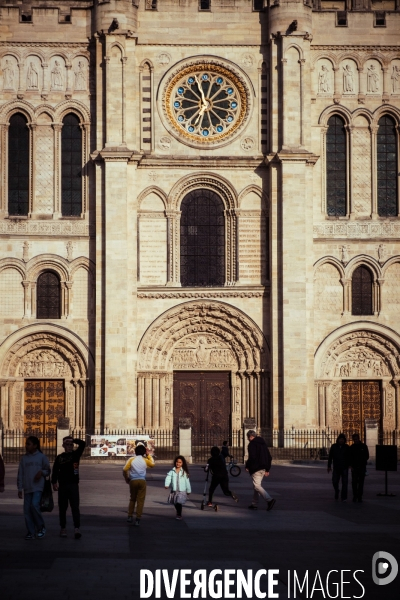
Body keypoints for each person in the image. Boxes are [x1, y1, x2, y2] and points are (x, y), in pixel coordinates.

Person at [52, 436, 86, 539]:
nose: (70, 446)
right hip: (63, 485)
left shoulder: (76, 455)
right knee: (62, 508)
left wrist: (73, 440)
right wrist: (54, 482)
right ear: (63, 445)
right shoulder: (59, 457)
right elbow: (55, 471)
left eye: (71, 445)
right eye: (67, 444)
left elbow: (83, 444)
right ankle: (63, 528)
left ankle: (77, 528)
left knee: (75, 507)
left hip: (73, 485)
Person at [17, 436, 50, 540]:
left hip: (38, 487)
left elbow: (48, 470)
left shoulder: (41, 457)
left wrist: (41, 472)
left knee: (34, 505)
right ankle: (31, 531)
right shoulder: (24, 459)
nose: (26, 446)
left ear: (35, 446)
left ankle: (41, 527)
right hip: (27, 487)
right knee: (27, 510)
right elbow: (20, 473)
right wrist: (19, 487)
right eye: (26, 444)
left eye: (29, 444)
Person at [123, 444, 154, 526]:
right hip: (142, 481)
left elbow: (125, 469)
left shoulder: (131, 459)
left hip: (133, 481)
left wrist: (126, 478)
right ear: (144, 452)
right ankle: (138, 518)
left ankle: (130, 516)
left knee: (132, 499)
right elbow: (152, 464)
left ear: (135, 451)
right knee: (140, 500)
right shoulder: (145, 460)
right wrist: (148, 455)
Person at [245, 430, 275, 511]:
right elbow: (269, 457)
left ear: (251, 437)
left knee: (257, 486)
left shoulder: (252, 444)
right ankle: (254, 504)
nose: (247, 439)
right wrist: (267, 469)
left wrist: (247, 466)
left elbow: (252, 457)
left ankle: (269, 500)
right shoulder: (263, 444)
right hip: (263, 468)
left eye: (248, 437)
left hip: (256, 468)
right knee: (256, 486)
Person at [165, 455, 191, 520]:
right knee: (175, 502)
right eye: (177, 462)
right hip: (174, 490)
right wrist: (167, 484)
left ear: (182, 463)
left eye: (180, 462)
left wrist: (188, 490)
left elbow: (187, 482)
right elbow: (168, 478)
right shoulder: (172, 471)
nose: (178, 463)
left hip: (181, 491)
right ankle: (178, 512)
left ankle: (179, 514)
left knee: (179, 502)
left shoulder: (184, 472)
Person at [327, 433, 350, 502]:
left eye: (342, 439)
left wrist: (349, 465)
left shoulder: (347, 447)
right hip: (336, 467)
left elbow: (349, 457)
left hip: (344, 467)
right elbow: (330, 457)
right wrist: (329, 466)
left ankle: (344, 497)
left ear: (344, 440)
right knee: (334, 481)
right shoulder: (334, 446)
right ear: (338, 440)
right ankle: (337, 490)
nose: (341, 441)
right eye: (340, 439)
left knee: (345, 483)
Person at [349, 433, 369, 503]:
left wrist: (362, 461)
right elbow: (350, 457)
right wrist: (351, 465)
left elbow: (367, 456)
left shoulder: (364, 446)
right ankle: (355, 495)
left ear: (359, 438)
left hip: (362, 467)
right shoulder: (352, 447)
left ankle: (360, 496)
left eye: (356, 439)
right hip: (354, 467)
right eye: (354, 439)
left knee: (361, 483)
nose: (355, 440)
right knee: (354, 482)